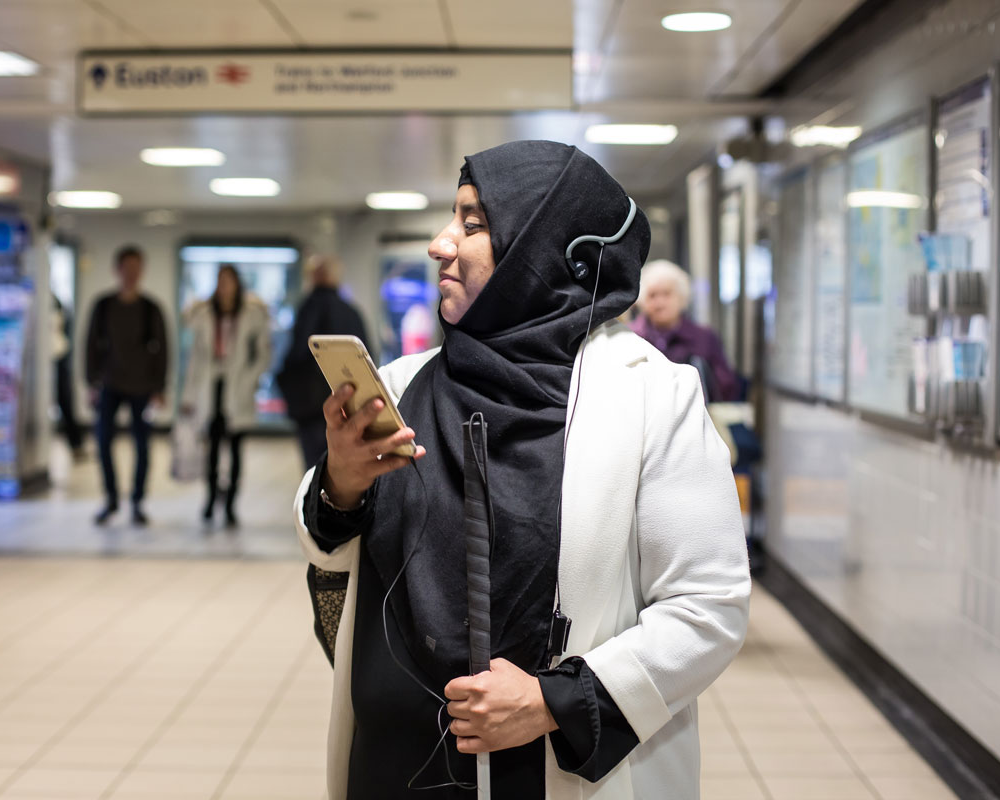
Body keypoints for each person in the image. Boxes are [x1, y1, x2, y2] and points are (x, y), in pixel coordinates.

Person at [293, 141, 750, 799]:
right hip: (397, 767)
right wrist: (340, 481)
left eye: (473, 223)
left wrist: (551, 702)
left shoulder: (650, 397)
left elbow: (710, 605)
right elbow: (332, 557)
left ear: (543, 247)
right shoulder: (402, 385)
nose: (439, 243)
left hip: (557, 772)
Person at [180, 265, 271, 528]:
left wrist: (250, 378)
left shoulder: (252, 315)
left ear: (237, 284)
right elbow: (195, 357)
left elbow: (263, 354)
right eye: (220, 281)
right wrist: (188, 395)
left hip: (238, 387)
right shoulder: (205, 314)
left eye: (228, 281)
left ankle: (231, 504)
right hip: (212, 388)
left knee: (235, 449)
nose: (224, 287)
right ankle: (209, 500)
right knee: (211, 449)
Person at [84, 245, 168, 527]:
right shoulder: (104, 305)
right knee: (103, 441)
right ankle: (110, 498)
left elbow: (162, 349)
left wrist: (160, 387)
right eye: (126, 268)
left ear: (141, 272)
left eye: (136, 268)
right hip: (109, 383)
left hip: (142, 387)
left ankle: (137, 500)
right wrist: (90, 382)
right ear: (117, 270)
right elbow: (90, 345)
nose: (131, 274)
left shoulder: (150, 308)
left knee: (142, 446)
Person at [278, 255, 369, 470]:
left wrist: (284, 382)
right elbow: (366, 357)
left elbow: (296, 353)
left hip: (310, 405)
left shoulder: (308, 308)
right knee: (339, 465)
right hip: (346, 401)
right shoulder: (352, 312)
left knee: (313, 466)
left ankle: (317, 501)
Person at [630, 259, 742, 402]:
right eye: (652, 295)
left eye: (667, 294)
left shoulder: (704, 338)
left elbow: (726, 388)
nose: (660, 303)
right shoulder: (631, 337)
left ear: (682, 297)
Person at [50, 293, 84, 459]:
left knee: (65, 401)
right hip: (55, 359)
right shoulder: (52, 302)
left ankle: (76, 444)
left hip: (58, 359)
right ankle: (76, 444)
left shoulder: (55, 304)